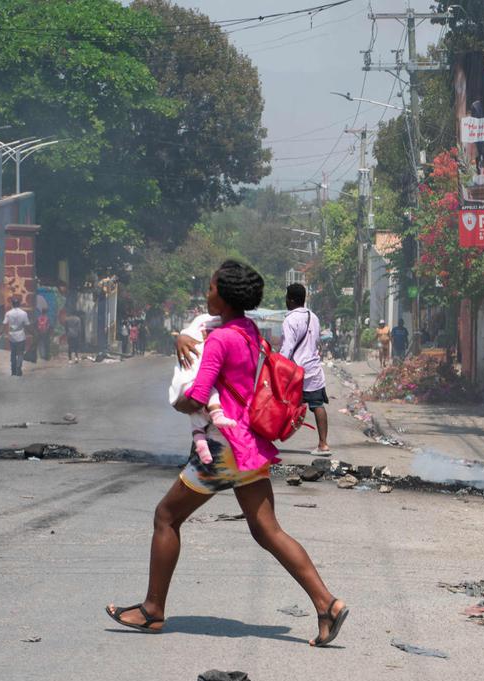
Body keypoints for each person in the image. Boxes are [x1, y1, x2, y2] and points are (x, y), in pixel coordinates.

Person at [106, 260, 348, 646]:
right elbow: (198, 331)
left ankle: (153, 610)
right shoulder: (247, 331)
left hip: (221, 448)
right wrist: (177, 337)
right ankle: (327, 604)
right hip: (248, 443)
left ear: (225, 294)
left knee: (166, 517)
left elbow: (199, 395)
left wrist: (179, 401)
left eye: (211, 288)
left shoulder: (220, 340)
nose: (206, 294)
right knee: (267, 530)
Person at [168, 313, 237, 465]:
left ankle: (199, 459)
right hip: (209, 392)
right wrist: (182, 337)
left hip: (224, 403)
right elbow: (189, 335)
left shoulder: (236, 330)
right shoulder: (204, 322)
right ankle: (198, 457)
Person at [281, 283, 331, 457]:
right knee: (317, 405)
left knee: (281, 403)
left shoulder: (290, 320)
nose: (286, 300)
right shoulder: (314, 317)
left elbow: (288, 346)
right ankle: (323, 444)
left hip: (296, 370)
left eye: (287, 297)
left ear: (292, 300)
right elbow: (316, 340)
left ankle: (267, 439)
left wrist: (279, 364)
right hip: (314, 368)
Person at [1, 296, 29, 377]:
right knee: (20, 353)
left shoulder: (8, 313)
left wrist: (1, 332)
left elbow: (4, 324)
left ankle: (13, 370)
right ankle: (18, 367)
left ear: (12, 304)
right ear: (19, 304)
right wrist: (32, 333)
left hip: (12, 336)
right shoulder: (24, 313)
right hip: (21, 336)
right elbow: (27, 324)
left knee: (13, 353)